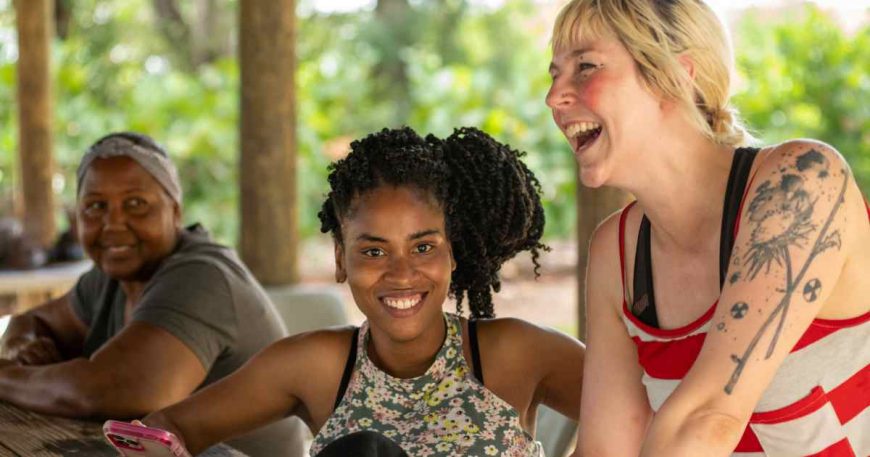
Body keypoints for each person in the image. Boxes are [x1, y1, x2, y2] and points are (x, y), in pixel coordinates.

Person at [545, 1, 870, 456]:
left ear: (678, 77)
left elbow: (710, 417)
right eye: (554, 74)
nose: (554, 96)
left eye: (586, 67)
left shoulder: (801, 183)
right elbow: (605, 450)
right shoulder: (616, 254)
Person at [137, 126, 585, 456]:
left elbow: (645, 412)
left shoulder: (515, 353)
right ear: (339, 258)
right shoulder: (314, 367)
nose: (401, 273)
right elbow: (168, 430)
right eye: (373, 252)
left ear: (454, 253)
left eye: (423, 247)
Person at [0, 132, 307, 457]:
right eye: (95, 207)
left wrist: (7, 376)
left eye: (136, 204)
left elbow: (112, 389)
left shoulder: (202, 276)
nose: (113, 224)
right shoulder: (109, 277)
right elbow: (32, 320)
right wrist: (25, 346)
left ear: (175, 212)